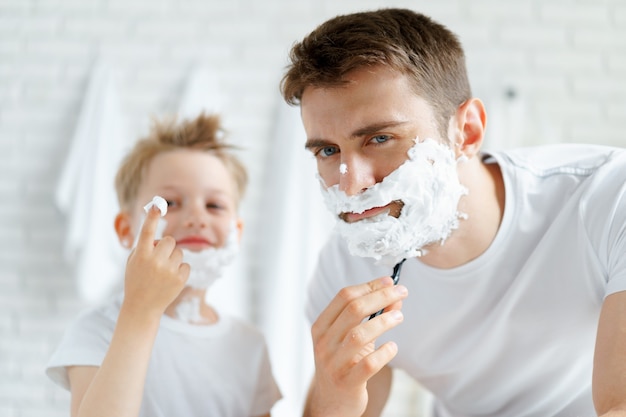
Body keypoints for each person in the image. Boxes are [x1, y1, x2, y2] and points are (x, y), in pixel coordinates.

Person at [280, 8, 626, 417]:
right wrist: (334, 394)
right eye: (327, 150)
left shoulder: (607, 197)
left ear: (468, 132)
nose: (352, 183)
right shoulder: (345, 269)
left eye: (380, 138)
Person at [46, 113, 282, 417]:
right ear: (125, 229)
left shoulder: (250, 345)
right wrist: (140, 311)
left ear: (237, 230)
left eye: (214, 205)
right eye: (169, 203)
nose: (197, 217)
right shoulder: (97, 330)